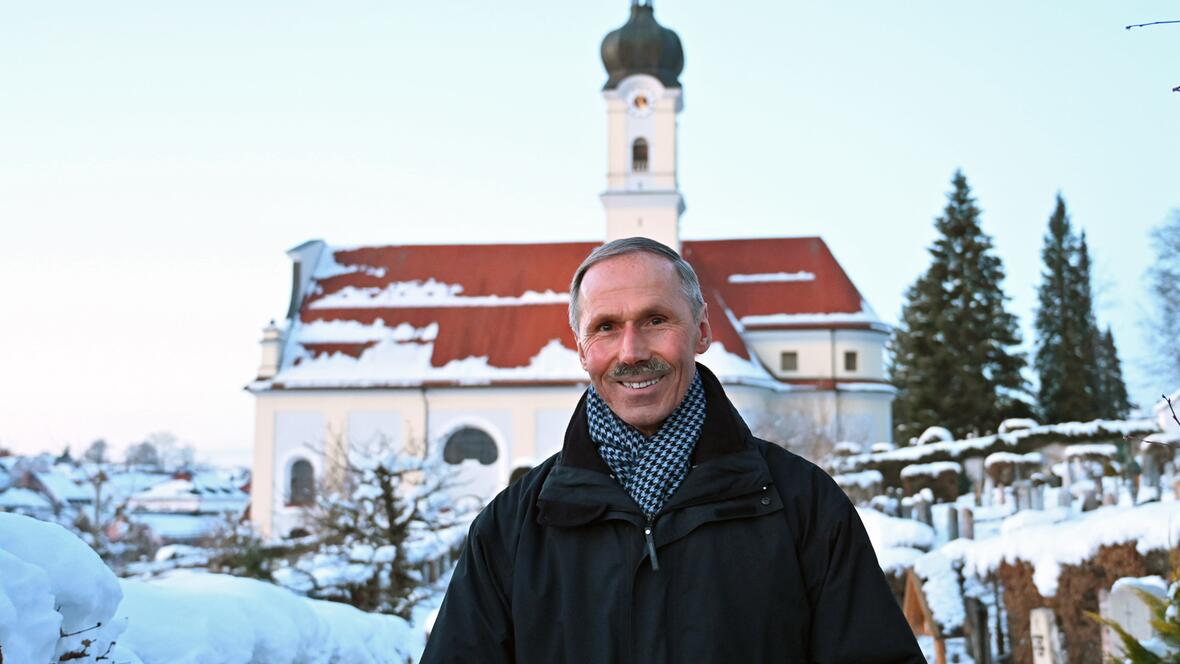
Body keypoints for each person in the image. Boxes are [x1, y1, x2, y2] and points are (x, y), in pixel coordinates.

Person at [421, 237, 923, 663]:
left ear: (701, 332)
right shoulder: (512, 527)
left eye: (656, 320)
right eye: (606, 327)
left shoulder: (802, 504)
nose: (631, 351)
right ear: (581, 349)